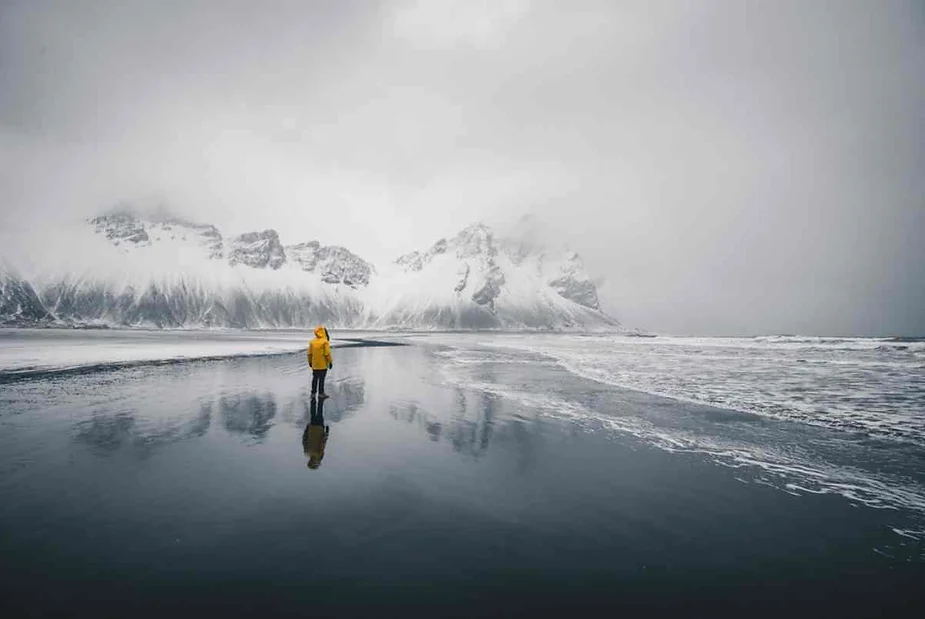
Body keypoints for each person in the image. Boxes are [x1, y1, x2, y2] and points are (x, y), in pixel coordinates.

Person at [302, 397, 329, 470]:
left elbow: (322, 443)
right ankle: (313, 399)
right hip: (312, 428)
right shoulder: (307, 451)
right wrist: (307, 429)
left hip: (319, 429)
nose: (318, 463)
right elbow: (304, 438)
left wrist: (326, 433)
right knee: (313, 413)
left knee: (320, 410)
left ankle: (320, 400)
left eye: (317, 464)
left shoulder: (318, 454)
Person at [307, 325, 333, 399]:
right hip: (323, 365)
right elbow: (327, 353)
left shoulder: (312, 342)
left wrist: (310, 362)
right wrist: (330, 362)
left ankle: (313, 393)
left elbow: (309, 354)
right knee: (322, 379)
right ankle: (321, 393)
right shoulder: (325, 342)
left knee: (315, 379)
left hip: (315, 365)